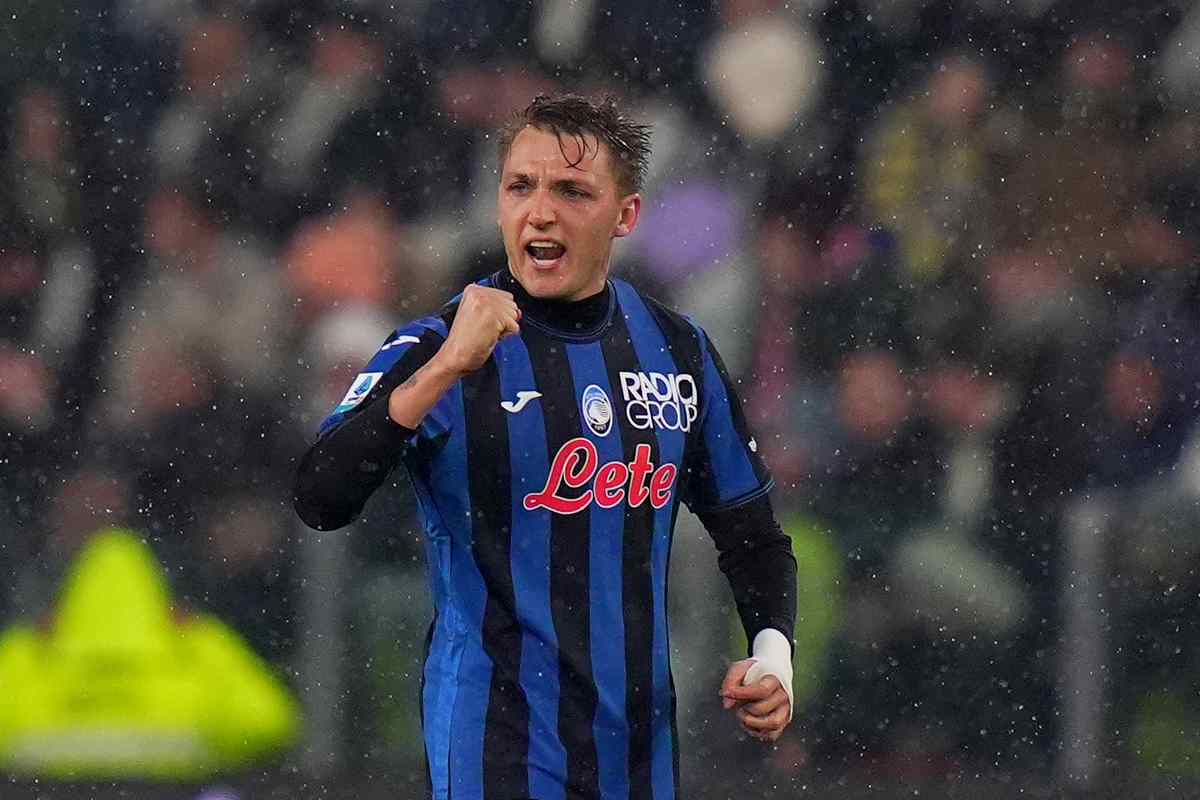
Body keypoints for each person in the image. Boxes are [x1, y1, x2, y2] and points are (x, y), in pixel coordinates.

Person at [294, 93, 798, 800]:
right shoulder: (437, 347)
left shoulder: (678, 351)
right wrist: (444, 370)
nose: (540, 212)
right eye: (520, 187)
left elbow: (753, 536)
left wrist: (772, 655)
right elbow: (319, 497)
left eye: (572, 191)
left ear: (626, 215)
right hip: (495, 738)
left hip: (638, 748)